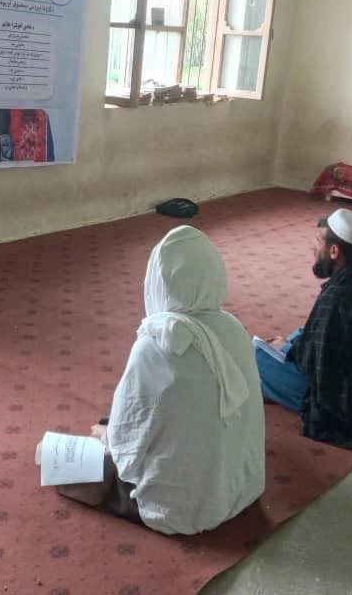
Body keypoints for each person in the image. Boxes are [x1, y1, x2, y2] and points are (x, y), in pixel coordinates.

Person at [41, 226, 265, 535]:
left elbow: (125, 444)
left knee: (50, 456)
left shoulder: (159, 342)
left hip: (178, 508)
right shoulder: (233, 328)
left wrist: (105, 436)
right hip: (240, 489)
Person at [255, 209, 352, 447]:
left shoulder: (338, 296)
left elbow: (315, 363)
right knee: (298, 334)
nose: (313, 248)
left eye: (318, 241)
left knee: (255, 356)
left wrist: (289, 349)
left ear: (334, 250)